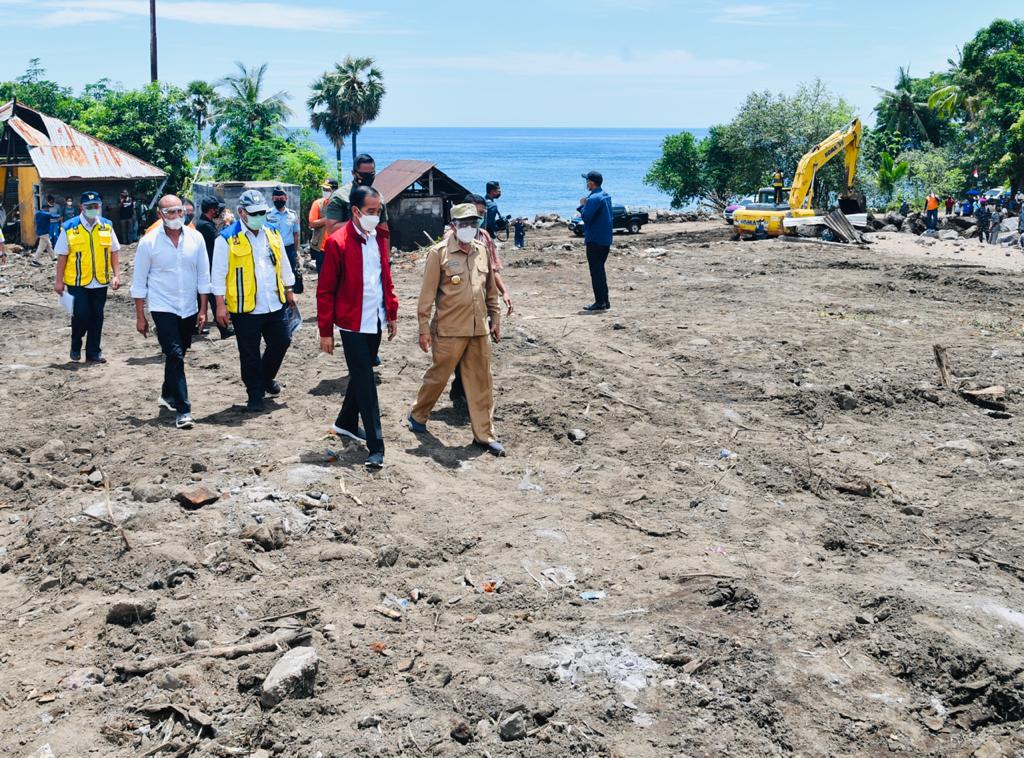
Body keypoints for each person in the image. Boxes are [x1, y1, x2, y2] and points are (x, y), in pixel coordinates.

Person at [409, 203, 505, 457]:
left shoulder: (482, 250)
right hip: (449, 329)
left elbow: (490, 292)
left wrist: (495, 318)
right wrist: (423, 328)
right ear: (453, 226)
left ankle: (484, 435)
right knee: (438, 376)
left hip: (478, 329)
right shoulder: (438, 254)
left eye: (473, 224)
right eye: (464, 224)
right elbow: (426, 296)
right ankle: (418, 413)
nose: (469, 228)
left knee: (482, 382)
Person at [317, 186, 399, 469]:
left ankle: (345, 422)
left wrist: (392, 313)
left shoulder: (379, 239)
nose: (376, 217)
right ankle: (376, 447)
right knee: (365, 382)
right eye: (371, 212)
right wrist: (325, 331)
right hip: (351, 324)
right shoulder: (337, 243)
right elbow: (325, 291)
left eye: (378, 212)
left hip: (375, 319)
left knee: (361, 374)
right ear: (355, 211)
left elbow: (384, 278)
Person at [131, 195, 212, 429]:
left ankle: (167, 393)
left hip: (188, 306)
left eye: (179, 212)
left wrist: (203, 309)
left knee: (180, 352)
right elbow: (139, 282)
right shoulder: (148, 243)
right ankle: (183, 409)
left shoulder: (196, 239)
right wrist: (140, 316)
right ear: (160, 215)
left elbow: (203, 276)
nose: (176, 217)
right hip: (162, 306)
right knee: (175, 354)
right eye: (170, 213)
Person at [211, 190, 296, 412]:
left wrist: (289, 289)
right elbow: (218, 275)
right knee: (249, 352)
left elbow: (283, 263)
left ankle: (266, 378)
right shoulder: (227, 238)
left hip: (274, 302)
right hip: (244, 307)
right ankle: (255, 394)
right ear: (241, 213)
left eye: (262, 212)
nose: (259, 216)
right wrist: (220, 305)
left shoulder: (272, 233)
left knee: (282, 341)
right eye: (254, 213)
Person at [446, 193, 514, 409]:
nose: (476, 221)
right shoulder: (449, 239)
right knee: (458, 353)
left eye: (480, 216)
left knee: (476, 354)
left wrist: (504, 293)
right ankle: (461, 392)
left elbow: (493, 271)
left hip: (480, 305)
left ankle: (465, 393)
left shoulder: (484, 238)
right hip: (457, 308)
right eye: (474, 216)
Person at [53, 191, 121, 363]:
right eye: (89, 206)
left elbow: (114, 251)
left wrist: (116, 275)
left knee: (97, 317)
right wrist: (58, 281)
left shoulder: (107, 226)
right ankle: (76, 344)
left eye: (95, 206)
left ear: (99, 206)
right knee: (81, 315)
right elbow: (62, 256)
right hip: (77, 281)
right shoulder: (69, 227)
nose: (93, 209)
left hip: (100, 280)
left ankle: (93, 352)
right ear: (81, 207)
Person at [195, 197, 233, 339]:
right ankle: (224, 330)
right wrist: (228, 223)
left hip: (207, 266)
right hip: (209, 267)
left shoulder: (206, 223)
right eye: (218, 209)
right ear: (212, 210)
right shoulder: (205, 225)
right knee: (216, 299)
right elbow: (223, 240)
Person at [323, 155, 388, 238]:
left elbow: (384, 230)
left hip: (371, 246)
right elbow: (331, 229)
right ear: (353, 173)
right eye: (363, 175)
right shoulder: (340, 197)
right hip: (347, 247)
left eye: (371, 174)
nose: (368, 178)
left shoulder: (378, 197)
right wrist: (361, 221)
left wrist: (384, 250)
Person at [578, 170, 614, 312]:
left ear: (591, 183)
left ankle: (600, 302)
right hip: (605, 238)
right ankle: (605, 300)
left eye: (587, 181)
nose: (586, 183)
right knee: (600, 270)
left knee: (596, 272)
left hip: (595, 240)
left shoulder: (594, 198)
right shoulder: (605, 195)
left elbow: (586, 217)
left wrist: (582, 205)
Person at [267, 187, 302, 294]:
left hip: (289, 249)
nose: (279, 200)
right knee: (273, 272)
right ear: (272, 199)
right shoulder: (267, 215)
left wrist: (295, 252)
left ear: (286, 198)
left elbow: (295, 234)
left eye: (281, 198)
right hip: (272, 249)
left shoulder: (292, 214)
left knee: (289, 272)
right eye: (276, 198)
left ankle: (289, 296)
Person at [308, 178, 337, 273]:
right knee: (322, 276)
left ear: (335, 190)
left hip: (337, 248)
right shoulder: (318, 204)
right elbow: (312, 223)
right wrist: (328, 219)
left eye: (327, 190)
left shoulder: (341, 205)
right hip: (321, 248)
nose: (325, 192)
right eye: (323, 189)